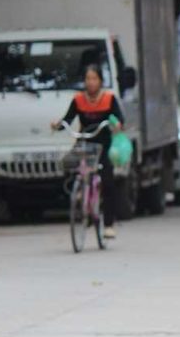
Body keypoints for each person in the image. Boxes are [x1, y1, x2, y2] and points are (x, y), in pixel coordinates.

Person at [51, 65, 125, 239]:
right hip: (85, 142)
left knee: (108, 181)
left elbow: (119, 118)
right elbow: (68, 118)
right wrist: (58, 125)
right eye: (88, 79)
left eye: (94, 79)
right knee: (67, 164)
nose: (91, 82)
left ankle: (108, 224)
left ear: (100, 81)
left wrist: (118, 124)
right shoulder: (78, 100)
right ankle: (79, 193)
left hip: (104, 145)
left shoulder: (109, 99)